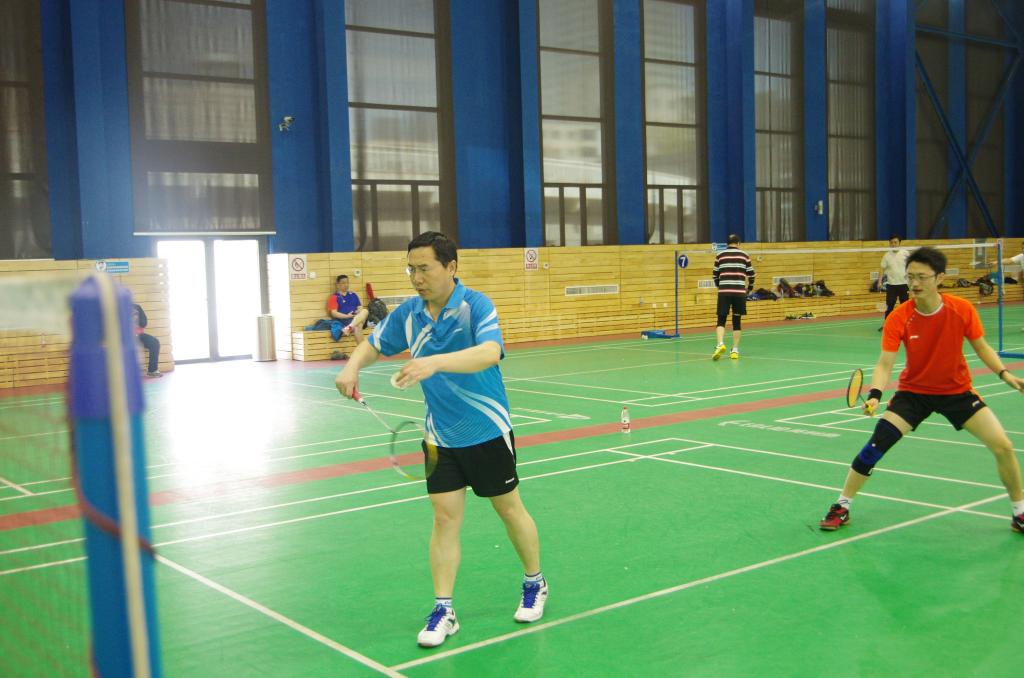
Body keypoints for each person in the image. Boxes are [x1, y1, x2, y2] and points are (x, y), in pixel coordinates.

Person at [335, 231, 546, 648]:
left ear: (450, 267)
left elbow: (489, 352)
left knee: (508, 509)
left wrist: (433, 362)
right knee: (444, 519)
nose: (417, 277)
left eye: (425, 268)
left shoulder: (476, 306)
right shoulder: (409, 313)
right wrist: (352, 366)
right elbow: (375, 344)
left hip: (486, 429)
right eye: (411, 269)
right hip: (439, 436)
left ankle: (535, 582)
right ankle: (444, 609)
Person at [819, 246, 1024, 534]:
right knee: (875, 447)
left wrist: (1005, 374)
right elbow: (885, 363)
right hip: (913, 394)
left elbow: (982, 347)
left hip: (956, 392)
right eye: (910, 276)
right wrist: (875, 395)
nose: (914, 283)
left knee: (1003, 446)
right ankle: (842, 505)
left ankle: (1019, 512)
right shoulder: (899, 316)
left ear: (939, 278)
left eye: (922, 277)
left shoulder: (961, 309)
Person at [712, 234, 755, 360]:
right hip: (739, 293)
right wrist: (749, 288)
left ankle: (720, 344)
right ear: (739, 243)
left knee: (721, 320)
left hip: (724, 292)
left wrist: (720, 287)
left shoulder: (720, 255)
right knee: (737, 322)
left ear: (727, 244)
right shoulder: (744, 255)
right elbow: (752, 275)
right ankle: (735, 350)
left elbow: (715, 275)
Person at [878, 235, 910, 330]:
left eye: (895, 242)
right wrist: (879, 281)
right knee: (889, 306)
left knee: (904, 306)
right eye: (891, 242)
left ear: (899, 243)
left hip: (904, 284)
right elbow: (882, 269)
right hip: (891, 285)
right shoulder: (886, 255)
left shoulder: (906, 253)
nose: (893, 244)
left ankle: (906, 324)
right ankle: (886, 324)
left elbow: (911, 266)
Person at [327, 274, 369, 342]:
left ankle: (349, 328)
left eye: (347, 282)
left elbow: (360, 307)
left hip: (356, 317)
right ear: (338, 284)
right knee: (358, 325)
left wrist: (358, 311)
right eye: (343, 283)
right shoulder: (334, 297)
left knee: (365, 311)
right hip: (345, 320)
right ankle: (351, 328)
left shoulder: (353, 295)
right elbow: (334, 313)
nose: (346, 285)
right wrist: (347, 316)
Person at [132, 304, 162, 378]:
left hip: (138, 335)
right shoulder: (119, 308)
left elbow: (143, 323)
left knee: (154, 342)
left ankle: (152, 370)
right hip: (125, 336)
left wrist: (136, 318)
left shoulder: (137, 307)